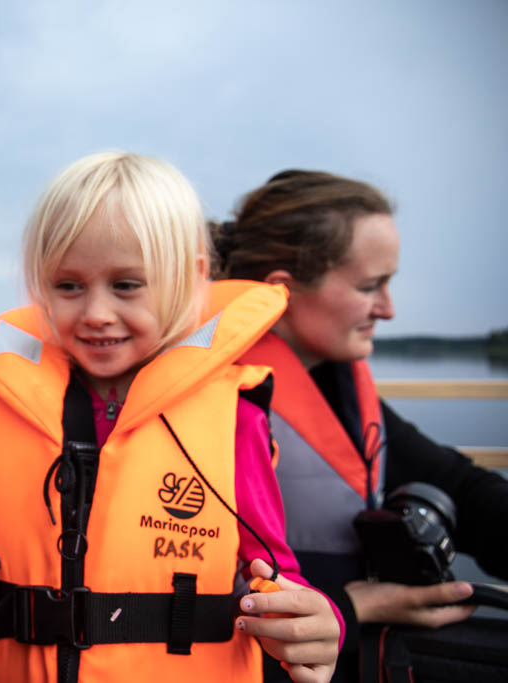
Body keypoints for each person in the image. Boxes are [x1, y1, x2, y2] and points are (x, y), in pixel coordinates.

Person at [0, 152, 343, 683]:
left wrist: (314, 622)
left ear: (192, 278)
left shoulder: (232, 419)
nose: (96, 313)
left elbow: (272, 571)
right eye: (68, 286)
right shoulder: (22, 405)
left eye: (126, 285)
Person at [212, 169, 508, 682]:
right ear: (281, 291)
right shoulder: (210, 400)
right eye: (371, 286)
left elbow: (459, 485)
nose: (389, 309)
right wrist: (354, 605)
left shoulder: (333, 382)